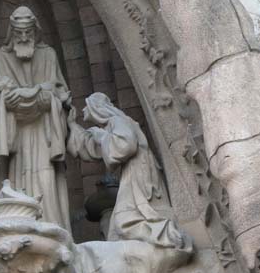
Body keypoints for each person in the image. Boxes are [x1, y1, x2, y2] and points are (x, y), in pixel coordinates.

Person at [68, 92, 191, 251]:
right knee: (119, 224)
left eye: (87, 105)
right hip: (133, 172)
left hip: (138, 172)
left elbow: (125, 146)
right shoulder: (113, 124)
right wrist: (71, 125)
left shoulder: (117, 120)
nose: (84, 109)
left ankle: (171, 238)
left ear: (96, 108)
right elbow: (91, 147)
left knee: (126, 219)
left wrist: (103, 137)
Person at [0, 6, 71, 230]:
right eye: (19, 33)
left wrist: (46, 98)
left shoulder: (48, 55)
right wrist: (3, 100)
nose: (24, 38)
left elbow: (59, 93)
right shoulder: (2, 57)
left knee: (46, 179)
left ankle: (51, 226)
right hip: (16, 134)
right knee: (17, 181)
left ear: (35, 32)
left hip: (44, 130)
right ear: (11, 34)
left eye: (28, 33)